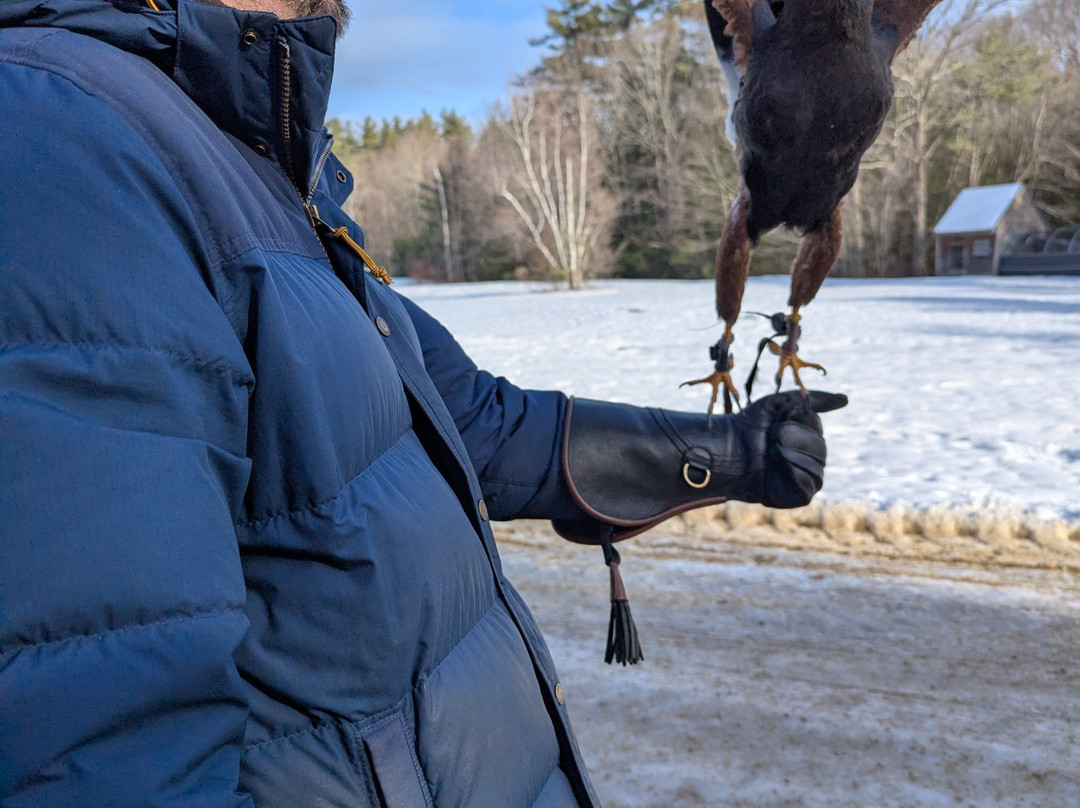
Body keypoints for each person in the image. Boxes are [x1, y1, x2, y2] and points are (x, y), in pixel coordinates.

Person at [0, 1, 845, 805]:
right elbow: (100, 741)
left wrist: (728, 453)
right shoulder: (63, 135)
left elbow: (463, 419)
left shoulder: (251, 166)